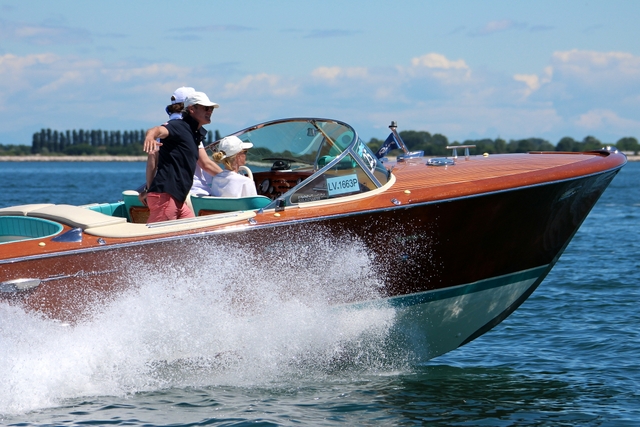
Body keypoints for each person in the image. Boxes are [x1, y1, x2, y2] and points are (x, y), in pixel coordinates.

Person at [142, 91, 221, 222]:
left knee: (194, 236)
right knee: (161, 240)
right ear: (191, 109)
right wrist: (150, 136)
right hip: (166, 196)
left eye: (211, 108)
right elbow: (158, 130)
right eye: (206, 108)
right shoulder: (179, 126)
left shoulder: (193, 133)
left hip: (176, 198)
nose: (210, 111)